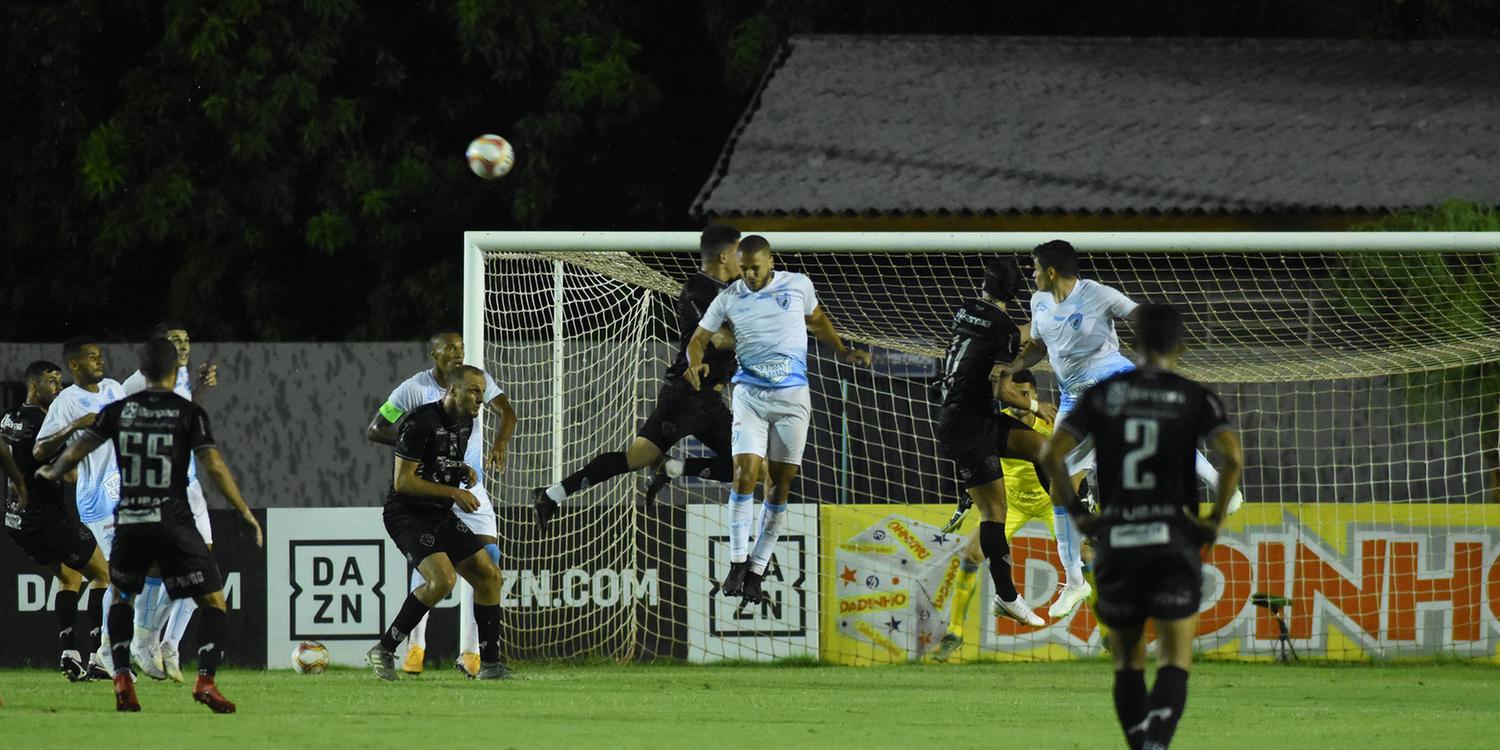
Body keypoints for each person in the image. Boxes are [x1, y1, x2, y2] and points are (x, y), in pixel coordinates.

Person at [1040, 303, 1244, 750]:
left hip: (1117, 544)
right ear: (1180, 345)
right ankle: (1156, 745)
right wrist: (1214, 518)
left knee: (1128, 660)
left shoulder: (1103, 396)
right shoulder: (1196, 396)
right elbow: (1232, 457)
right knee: (1175, 657)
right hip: (1172, 542)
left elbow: (1050, 455)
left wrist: (1079, 515)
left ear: (1133, 344)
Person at [1008, 239, 1241, 620]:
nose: (1031, 275)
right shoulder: (1038, 303)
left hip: (1116, 379)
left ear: (1050, 271)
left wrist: (1162, 348)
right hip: (1074, 399)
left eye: (1034, 268)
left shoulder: (1097, 294)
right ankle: (1074, 583)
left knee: (1154, 433)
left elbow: (1143, 317)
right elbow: (1037, 346)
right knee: (1057, 489)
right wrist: (1012, 364)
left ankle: (1219, 484)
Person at [41, 338, 264, 713]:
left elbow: (80, 448)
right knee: (213, 601)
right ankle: (206, 681)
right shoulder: (186, 412)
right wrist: (242, 509)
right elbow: (213, 464)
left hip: (130, 519)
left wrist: (55, 469)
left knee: (123, 595)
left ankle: (122, 676)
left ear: (141, 372)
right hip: (174, 519)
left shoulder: (118, 410)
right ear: (175, 371)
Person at [684, 234, 871, 603]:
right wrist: (694, 362)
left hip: (792, 399)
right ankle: (738, 562)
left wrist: (844, 351)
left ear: (771, 262)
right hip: (750, 396)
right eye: (744, 268)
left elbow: (817, 320)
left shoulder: (798, 284)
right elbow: (698, 338)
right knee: (744, 474)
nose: (749, 275)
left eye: (755, 267)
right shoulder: (729, 297)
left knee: (780, 486)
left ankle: (756, 569)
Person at [532, 224, 743, 523]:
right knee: (636, 458)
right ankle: (551, 495)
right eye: (739, 252)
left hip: (712, 401)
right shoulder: (699, 289)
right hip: (687, 394)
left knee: (747, 468)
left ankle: (671, 469)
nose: (743, 259)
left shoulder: (733, 289)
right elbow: (717, 338)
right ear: (724, 256)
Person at [366, 331, 516, 676]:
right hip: (407, 514)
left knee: (490, 575)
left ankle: (488, 663)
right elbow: (403, 482)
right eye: (474, 392)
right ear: (452, 390)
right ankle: (388, 649)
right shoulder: (419, 419)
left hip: (440, 511)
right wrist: (452, 491)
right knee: (443, 581)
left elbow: (446, 457)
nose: (481, 399)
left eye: (482, 391)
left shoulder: (467, 420)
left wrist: (460, 469)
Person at [933, 258, 1056, 630]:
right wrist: (1036, 405)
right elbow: (1004, 388)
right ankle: (1007, 597)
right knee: (994, 512)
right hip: (965, 426)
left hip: (977, 418)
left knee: (1043, 450)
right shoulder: (1002, 327)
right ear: (1016, 293)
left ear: (985, 287)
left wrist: (1036, 326)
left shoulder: (966, 309)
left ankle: (1072, 512)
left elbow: (1013, 336)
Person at [933, 368, 1058, 660]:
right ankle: (955, 631)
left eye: (1026, 394)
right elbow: (981, 464)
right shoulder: (999, 426)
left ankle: (1108, 634)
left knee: (1089, 555)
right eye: (1015, 395)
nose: (1020, 401)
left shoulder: (1050, 422)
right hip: (1010, 501)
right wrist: (965, 501)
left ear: (1036, 396)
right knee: (970, 553)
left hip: (1048, 501)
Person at [1, 360, 112, 680]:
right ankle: (98, 659)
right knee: (103, 575)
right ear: (34, 386)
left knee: (69, 578)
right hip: (47, 519)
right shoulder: (46, 423)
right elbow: (71, 471)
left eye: (59, 381)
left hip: (16, 520)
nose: (58, 386)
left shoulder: (9, 417)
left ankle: (69, 654)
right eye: (52, 381)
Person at [120, 321, 218, 681]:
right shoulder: (135, 383)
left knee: (201, 566)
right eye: (174, 340)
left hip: (188, 487)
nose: (183, 345)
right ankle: (143, 641)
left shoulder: (182, 377)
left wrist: (198, 393)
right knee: (160, 568)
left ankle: (168, 643)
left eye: (187, 339)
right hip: (157, 490)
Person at [34, 337, 126, 677]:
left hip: (125, 491)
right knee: (117, 575)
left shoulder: (115, 388)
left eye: (100, 356)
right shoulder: (68, 401)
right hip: (97, 495)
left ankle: (108, 653)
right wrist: (74, 425)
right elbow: (40, 449)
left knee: (130, 576)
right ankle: (106, 654)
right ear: (74, 365)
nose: (99, 361)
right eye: (91, 357)